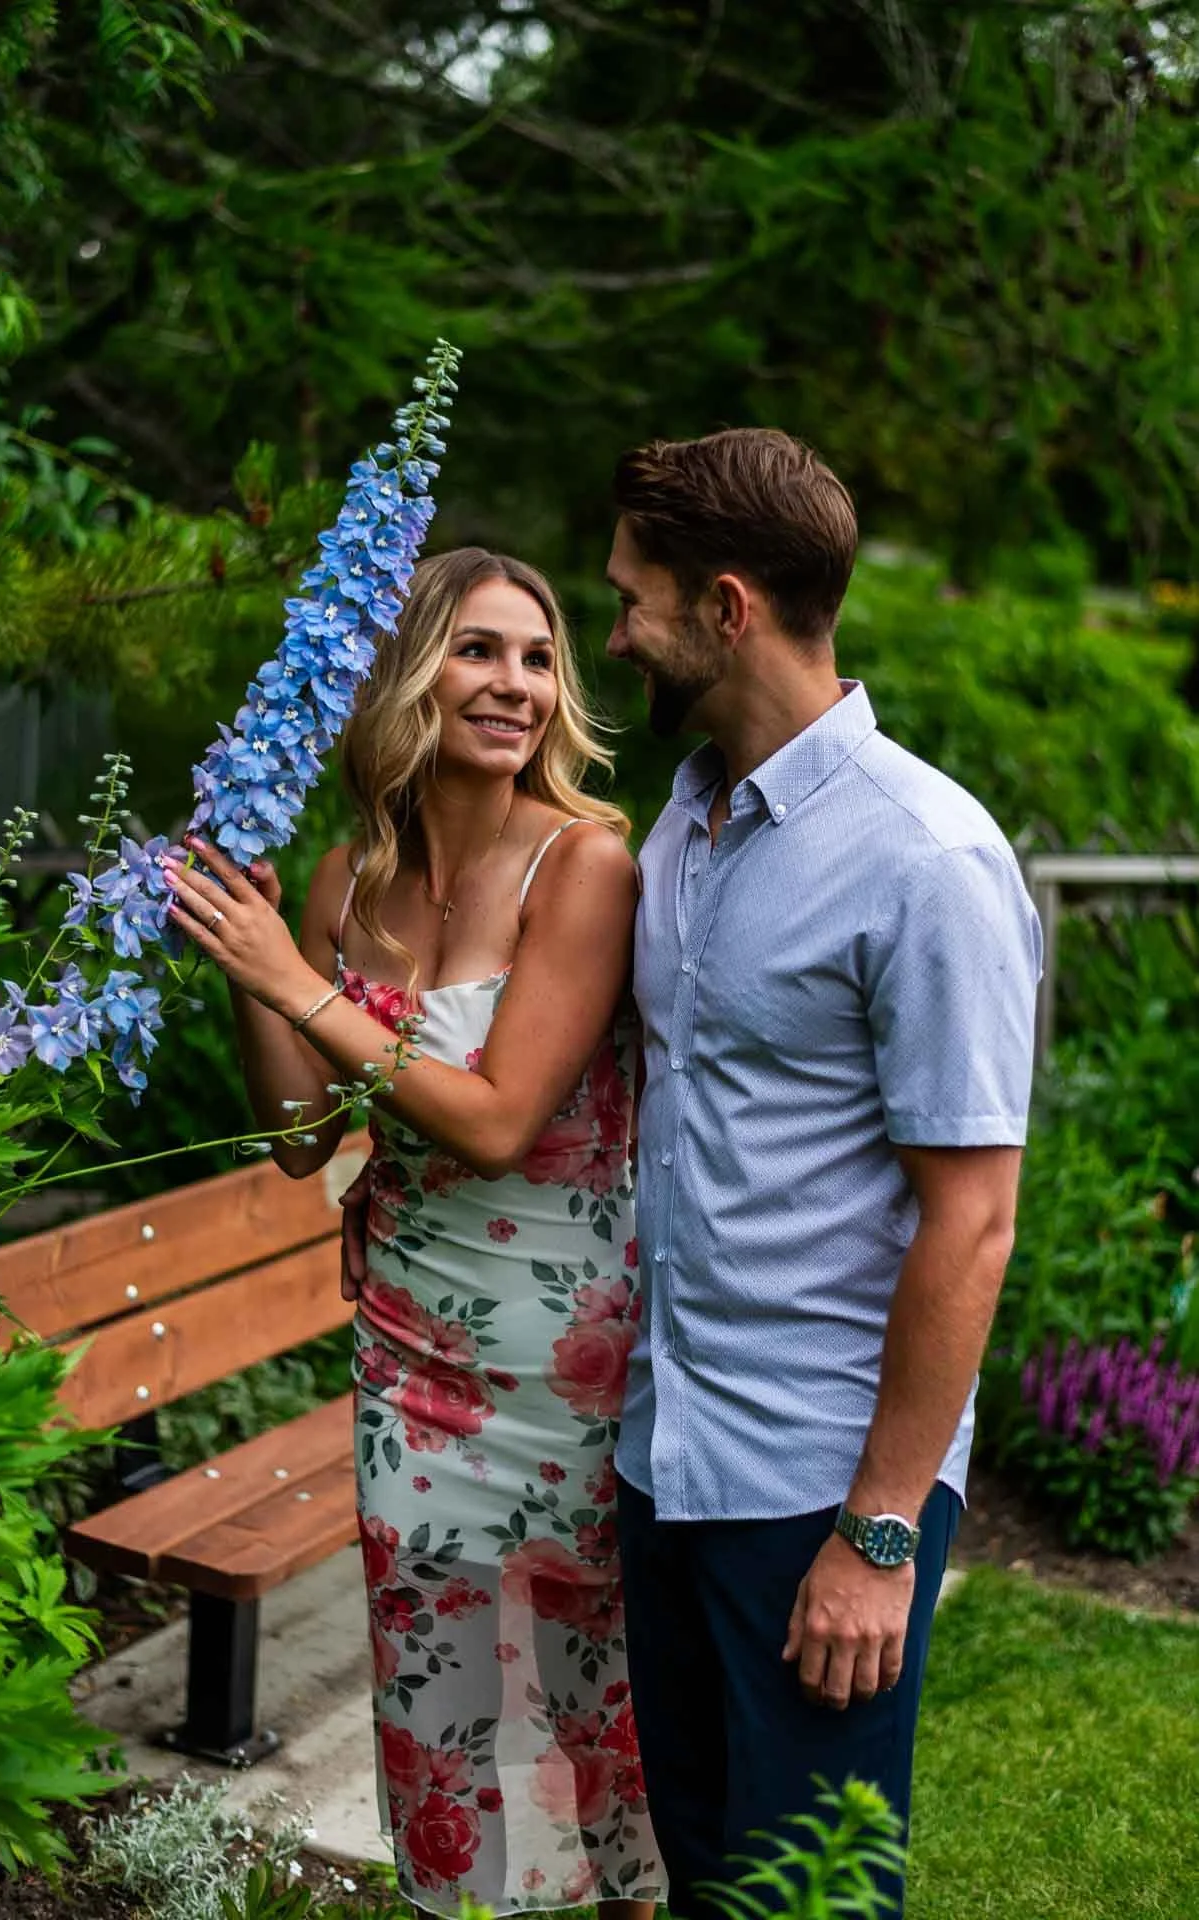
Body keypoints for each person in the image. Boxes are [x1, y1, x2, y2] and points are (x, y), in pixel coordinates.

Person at [163, 548, 662, 1920]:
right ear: (403, 675)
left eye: (539, 656)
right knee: (435, 1715)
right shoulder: (347, 881)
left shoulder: (588, 861)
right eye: (478, 650)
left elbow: (499, 1119)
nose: (515, 683)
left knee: (592, 1713)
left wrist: (293, 984)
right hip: (408, 1358)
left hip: (570, 1370)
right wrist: (257, 960)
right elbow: (301, 1138)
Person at [603, 430, 1042, 1918]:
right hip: (670, 1460)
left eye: (632, 599)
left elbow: (973, 1222)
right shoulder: (687, 825)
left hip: (818, 1487)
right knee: (713, 1884)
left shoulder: (927, 860)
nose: (616, 633)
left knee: (812, 1902)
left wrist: (880, 1533)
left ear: (726, 608)